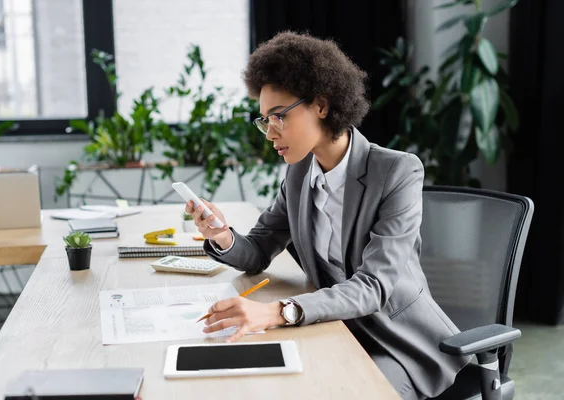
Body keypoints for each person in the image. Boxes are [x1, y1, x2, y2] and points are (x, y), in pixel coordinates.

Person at [185, 31, 469, 399]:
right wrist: (221, 233)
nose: (270, 133)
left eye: (279, 117)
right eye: (263, 120)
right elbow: (257, 252)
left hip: (397, 346)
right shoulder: (300, 173)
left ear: (321, 105)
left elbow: (375, 286)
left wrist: (279, 312)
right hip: (331, 327)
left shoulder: (397, 172)